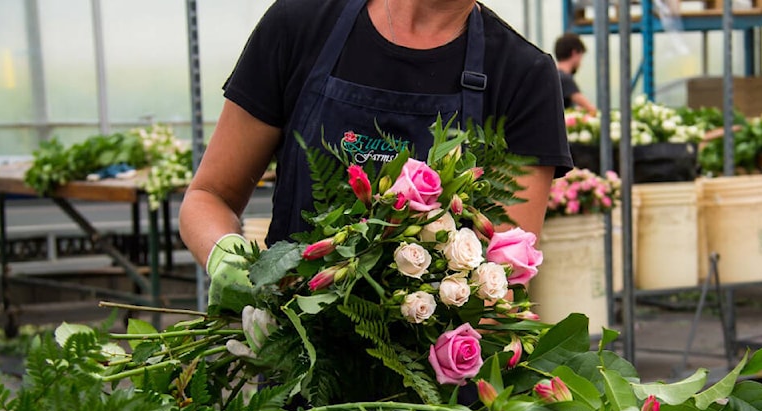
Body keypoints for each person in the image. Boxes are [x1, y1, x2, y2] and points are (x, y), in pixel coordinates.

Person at [179, 0, 572, 305]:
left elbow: (498, 279)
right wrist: (232, 265)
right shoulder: (299, 26)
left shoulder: (523, 75)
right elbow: (209, 196)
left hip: (439, 399)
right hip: (295, 373)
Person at [554, 32, 597, 115]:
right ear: (574, 53)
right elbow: (590, 108)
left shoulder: (553, 75)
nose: (581, 63)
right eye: (581, 56)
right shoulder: (565, 79)